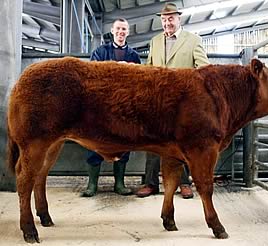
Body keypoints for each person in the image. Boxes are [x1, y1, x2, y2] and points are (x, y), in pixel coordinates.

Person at [136, 2, 210, 199]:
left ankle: (184, 183)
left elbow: (203, 69)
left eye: (171, 18)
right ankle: (150, 183)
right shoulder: (155, 41)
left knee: (181, 142)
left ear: (179, 18)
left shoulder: (193, 40)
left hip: (182, 103)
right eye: (164, 19)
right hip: (157, 101)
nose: (167, 22)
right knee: (151, 141)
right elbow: (150, 67)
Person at [81, 18, 141, 197]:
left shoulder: (134, 56)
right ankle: (92, 184)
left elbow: (139, 81)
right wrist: (116, 68)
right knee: (96, 143)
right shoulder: (99, 52)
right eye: (118, 29)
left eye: (124, 29)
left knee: (124, 143)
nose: (121, 32)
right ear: (112, 31)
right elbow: (91, 76)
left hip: (125, 110)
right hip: (102, 109)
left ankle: (120, 184)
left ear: (128, 32)